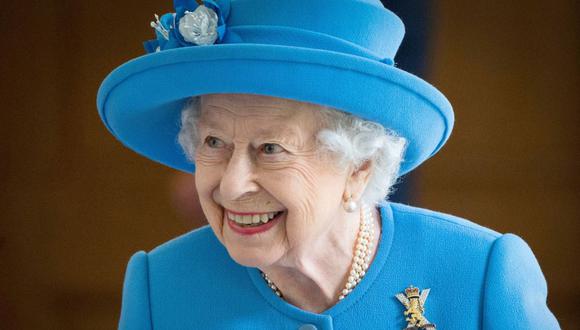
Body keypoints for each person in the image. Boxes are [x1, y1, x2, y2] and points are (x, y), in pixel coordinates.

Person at [97, 0, 560, 329]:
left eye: (271, 149)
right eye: (214, 142)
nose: (232, 185)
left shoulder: (481, 276)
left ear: (359, 166)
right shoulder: (162, 288)